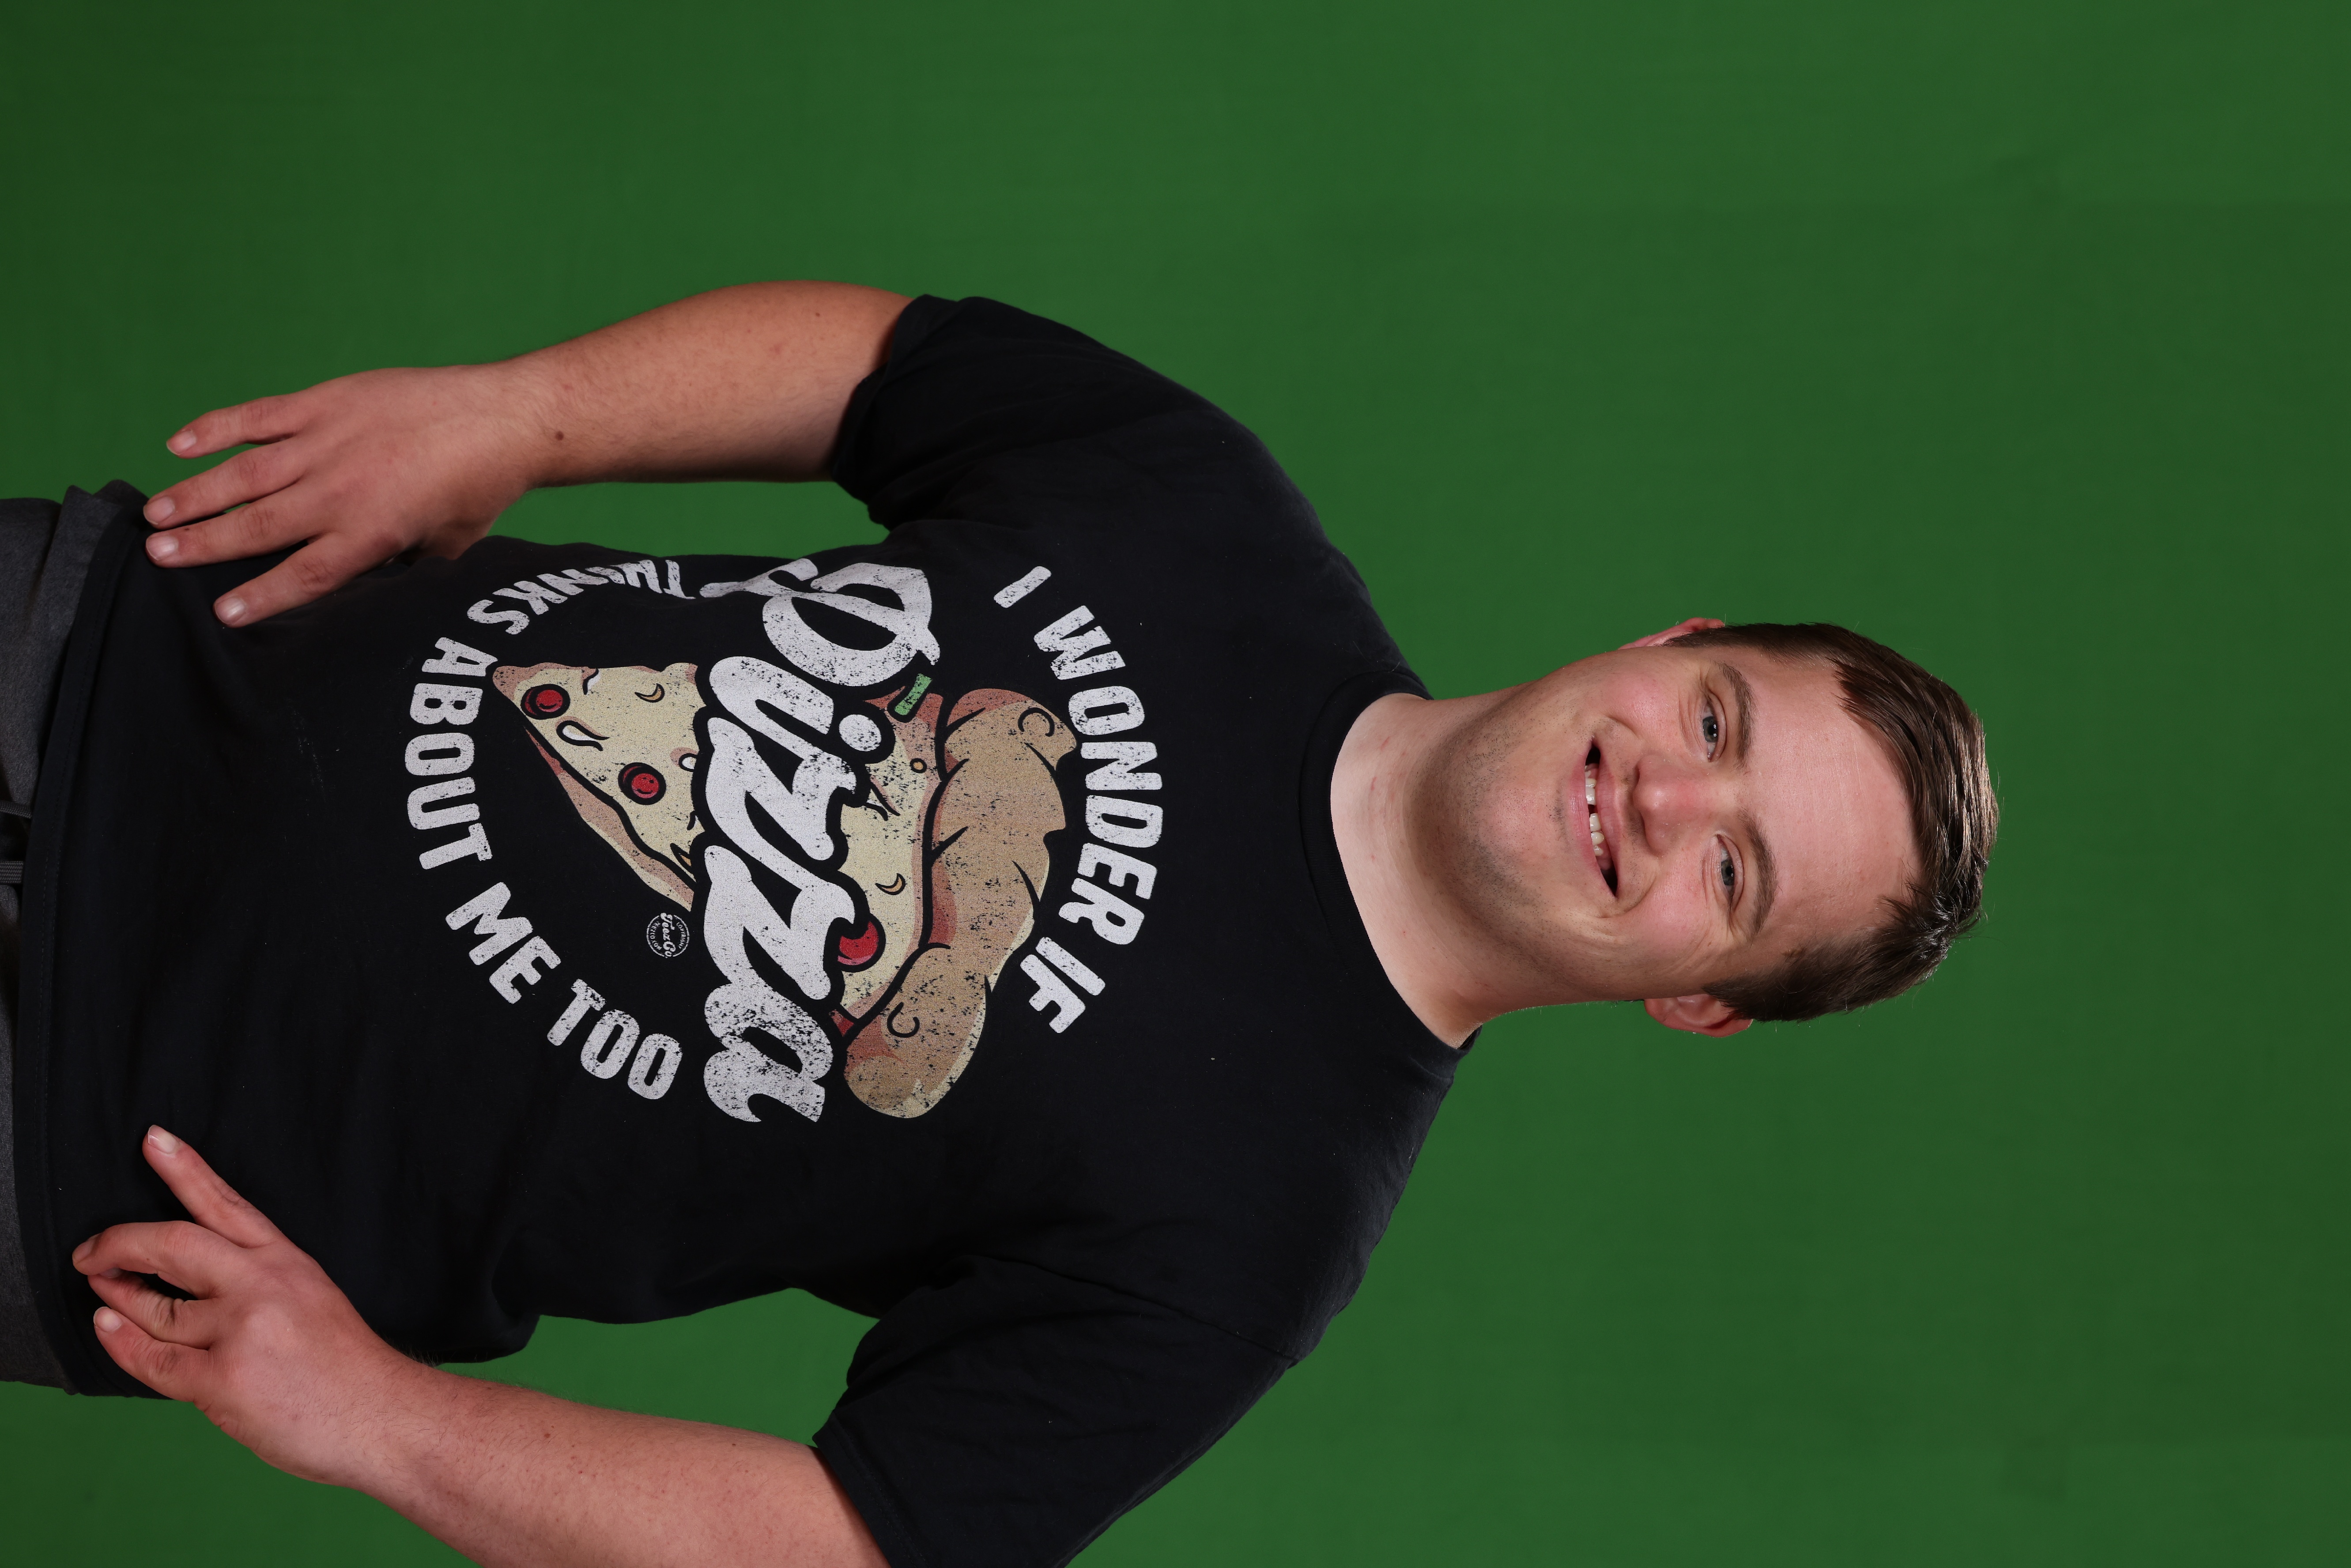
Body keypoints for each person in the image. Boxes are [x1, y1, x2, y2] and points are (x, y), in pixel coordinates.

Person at [0, 283, 1995, 1567]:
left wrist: (379, 1425)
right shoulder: (1214, 514)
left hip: (80, 1153)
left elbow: (844, 1536)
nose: (1665, 798)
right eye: (1717, 723)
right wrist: (515, 413)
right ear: (1672, 641)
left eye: (1736, 875)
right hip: (108, 647)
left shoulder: (1250, 1243)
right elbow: (887, 367)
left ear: (1704, 1006)